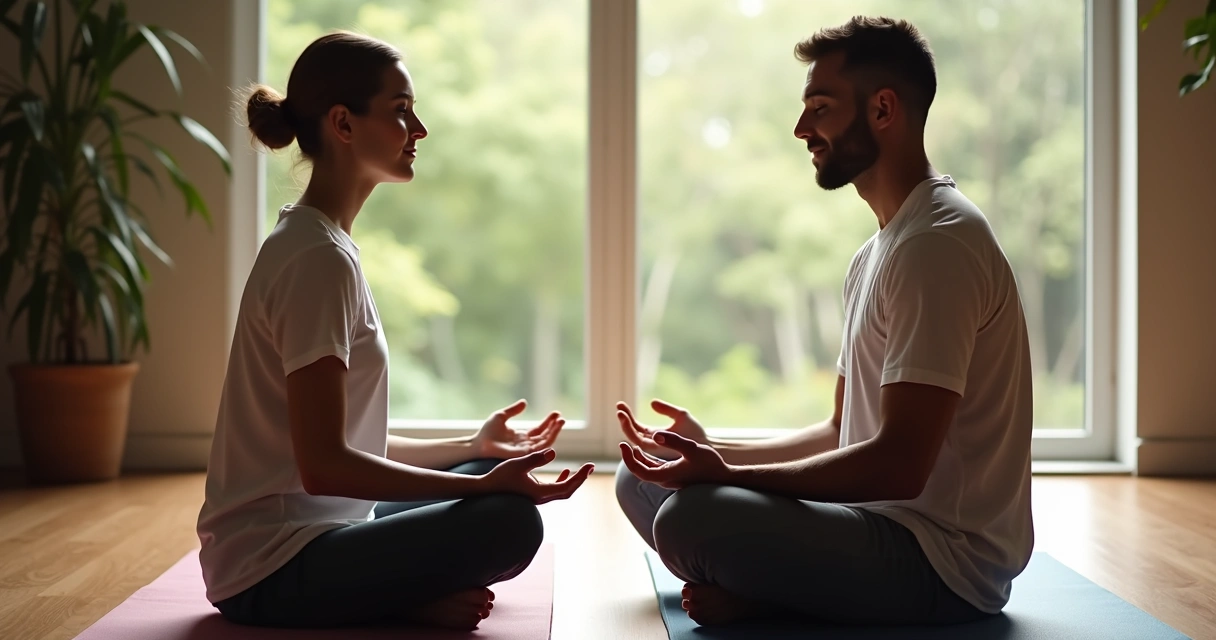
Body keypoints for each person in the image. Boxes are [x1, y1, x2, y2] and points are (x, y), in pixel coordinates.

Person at [615, 16, 1034, 628]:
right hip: (871, 526)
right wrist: (711, 452)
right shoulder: (879, 251)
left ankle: (768, 595)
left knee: (687, 518)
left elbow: (899, 465)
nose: (801, 128)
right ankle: (771, 589)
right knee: (640, 479)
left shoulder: (938, 246)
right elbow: (841, 427)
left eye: (821, 107)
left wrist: (731, 476)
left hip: (941, 562)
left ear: (883, 110)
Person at [196, 31, 594, 631]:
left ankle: (397, 588)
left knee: (482, 481)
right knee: (509, 520)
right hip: (272, 569)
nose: (420, 129)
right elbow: (326, 467)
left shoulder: (324, 245)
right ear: (343, 124)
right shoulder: (316, 260)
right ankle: (397, 599)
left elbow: (352, 445)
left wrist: (473, 451)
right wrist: (485, 495)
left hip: (330, 530)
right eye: (402, 111)